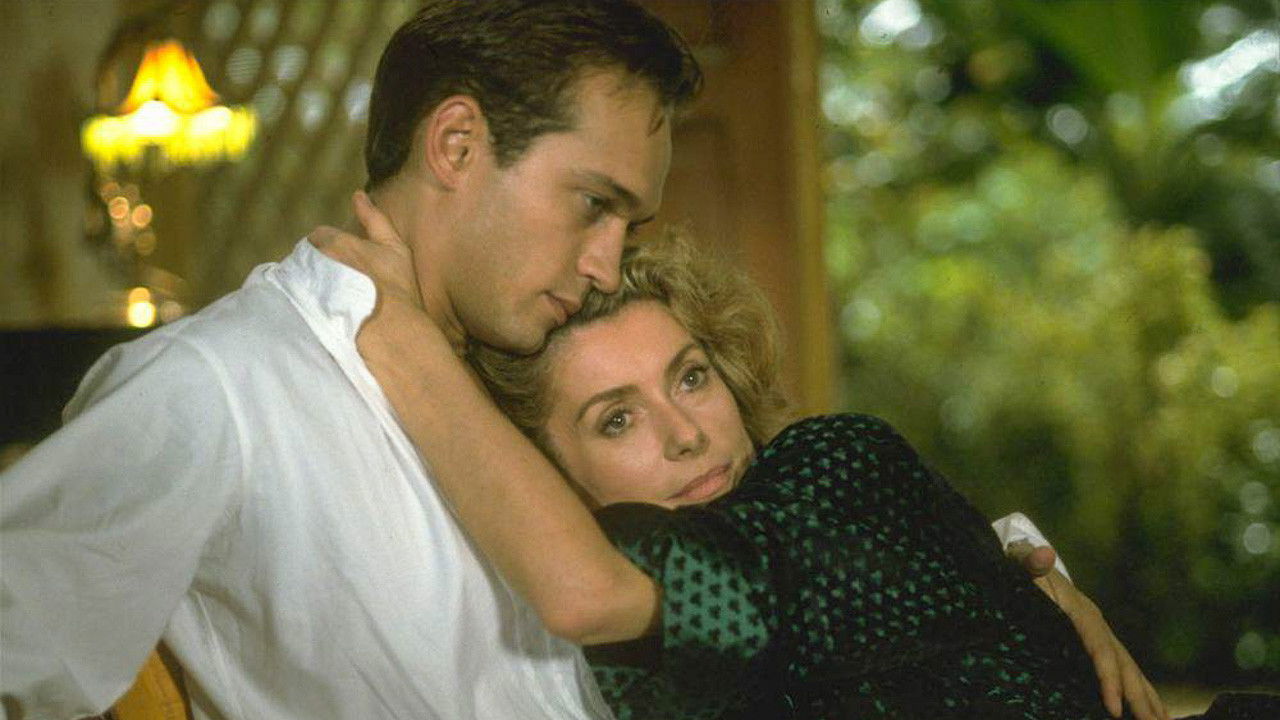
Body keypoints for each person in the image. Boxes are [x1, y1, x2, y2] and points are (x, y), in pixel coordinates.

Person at [1, 2, 699, 718]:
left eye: (629, 226)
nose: (607, 265)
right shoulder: (222, 382)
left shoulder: (539, 378)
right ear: (457, 145)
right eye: (593, 203)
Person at [315, 203, 1196, 719]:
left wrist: (397, 335)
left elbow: (594, 592)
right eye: (617, 420)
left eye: (690, 377)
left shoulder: (838, 463)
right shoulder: (603, 649)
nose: (686, 433)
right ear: (544, 470)